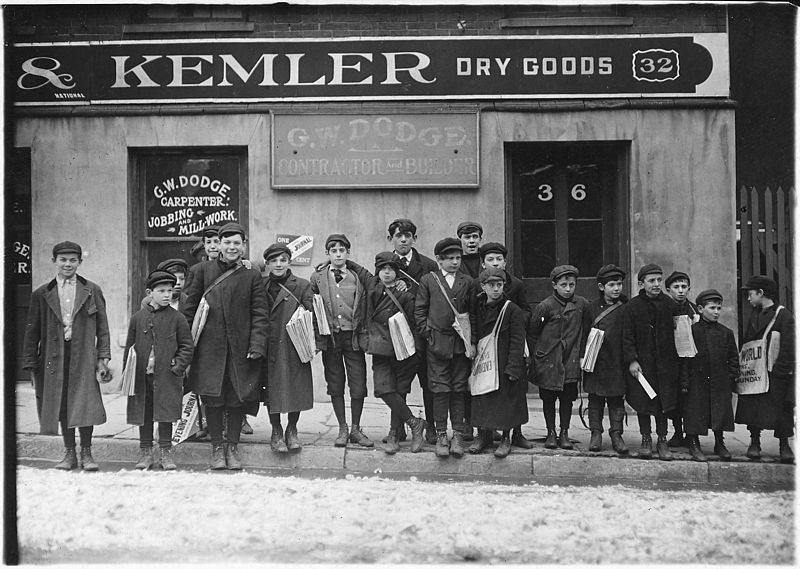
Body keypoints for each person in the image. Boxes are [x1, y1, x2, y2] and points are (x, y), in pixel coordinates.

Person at [182, 222, 269, 470]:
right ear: (218, 244)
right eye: (227, 242)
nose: (232, 247)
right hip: (208, 350)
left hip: (241, 350)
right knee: (214, 399)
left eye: (237, 243)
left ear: (244, 246)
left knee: (236, 399)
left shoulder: (251, 274)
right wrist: (186, 347)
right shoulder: (201, 271)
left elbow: (260, 313)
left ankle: (232, 447)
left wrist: (257, 344)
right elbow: (187, 313)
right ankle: (217, 449)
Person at [22, 241, 111, 471]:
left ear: (80, 262)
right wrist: (31, 364)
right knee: (62, 405)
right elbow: (31, 332)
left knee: (85, 403)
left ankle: (87, 453)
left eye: (73, 260)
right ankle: (69, 453)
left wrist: (103, 357)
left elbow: (102, 327)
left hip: (83, 355)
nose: (68, 264)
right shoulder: (42, 293)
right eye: (63, 260)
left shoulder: (92, 290)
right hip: (54, 356)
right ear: (54, 262)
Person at [414, 237, 478, 458]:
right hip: (437, 345)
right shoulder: (429, 281)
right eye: (450, 258)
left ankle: (458, 435)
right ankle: (442, 434)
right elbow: (420, 311)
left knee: (459, 389)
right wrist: (429, 335)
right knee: (440, 390)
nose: (455, 262)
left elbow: (473, 313)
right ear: (439, 260)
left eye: (458, 258)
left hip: (461, 346)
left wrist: (471, 341)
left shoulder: (468, 281)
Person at [124, 270, 194, 470]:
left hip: (166, 376)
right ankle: (145, 452)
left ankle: (165, 452)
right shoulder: (138, 318)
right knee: (143, 414)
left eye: (170, 291)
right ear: (149, 292)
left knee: (165, 414)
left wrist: (178, 366)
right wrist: (127, 374)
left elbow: (187, 346)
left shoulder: (177, 318)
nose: (166, 295)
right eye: (161, 291)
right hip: (141, 376)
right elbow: (130, 347)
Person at [310, 234, 374, 448]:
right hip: (331, 339)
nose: (338, 254)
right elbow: (311, 306)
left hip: (353, 337)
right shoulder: (318, 277)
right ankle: (342, 427)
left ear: (348, 253)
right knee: (335, 383)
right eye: (333, 251)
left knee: (358, 384)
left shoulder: (357, 277)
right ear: (327, 254)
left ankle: (355, 428)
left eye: (342, 250)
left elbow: (373, 285)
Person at [366, 252, 427, 454]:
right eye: (383, 269)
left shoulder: (406, 295)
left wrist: (415, 350)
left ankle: (394, 432)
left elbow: (416, 323)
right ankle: (415, 422)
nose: (387, 273)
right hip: (381, 350)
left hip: (404, 352)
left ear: (397, 273)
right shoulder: (372, 291)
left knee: (399, 390)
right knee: (384, 389)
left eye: (391, 269)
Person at [476, 242, 533, 449]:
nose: (495, 263)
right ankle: (485, 435)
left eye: (499, 259)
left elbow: (525, 311)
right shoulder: (478, 293)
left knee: (510, 394)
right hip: (485, 351)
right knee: (484, 393)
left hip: (508, 343)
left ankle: (512, 435)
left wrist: (510, 322)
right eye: (490, 259)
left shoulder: (515, 286)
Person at [621, 264, 681, 461]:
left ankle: (662, 440)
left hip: (665, 364)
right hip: (643, 364)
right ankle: (646, 439)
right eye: (651, 281)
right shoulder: (632, 307)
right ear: (641, 283)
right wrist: (632, 360)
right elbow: (627, 336)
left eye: (659, 280)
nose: (656, 284)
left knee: (663, 403)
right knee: (644, 402)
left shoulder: (669, 304)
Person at [387, 218, 438, 444]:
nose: (404, 240)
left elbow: (435, 299)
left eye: (408, 235)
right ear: (391, 239)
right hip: (398, 333)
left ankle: (433, 427)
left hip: (424, 333)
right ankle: (397, 428)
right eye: (399, 236)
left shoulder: (428, 265)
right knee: (400, 383)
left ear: (414, 239)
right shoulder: (386, 265)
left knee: (428, 382)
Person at [735, 275, 795, 464]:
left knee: (782, 409)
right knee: (754, 405)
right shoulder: (754, 315)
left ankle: (784, 444)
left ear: (761, 293)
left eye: (751, 294)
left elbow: (789, 346)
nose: (748, 298)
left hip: (776, 372)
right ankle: (755, 441)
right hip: (757, 371)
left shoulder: (783, 315)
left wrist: (781, 370)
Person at [468, 268, 527, 458]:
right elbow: (473, 330)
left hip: (503, 362)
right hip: (483, 360)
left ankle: (506, 438)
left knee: (505, 401)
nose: (495, 289)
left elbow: (518, 340)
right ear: (483, 286)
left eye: (499, 285)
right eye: (491, 285)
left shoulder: (512, 309)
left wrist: (513, 367)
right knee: (481, 397)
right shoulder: (477, 306)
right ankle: (483, 436)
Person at [528, 265, 589, 451]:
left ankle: (564, 432)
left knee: (567, 398)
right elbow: (533, 333)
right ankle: (551, 432)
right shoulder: (545, 307)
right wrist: (538, 357)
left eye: (572, 284)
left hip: (570, 357)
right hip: (548, 359)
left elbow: (586, 331)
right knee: (548, 397)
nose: (568, 288)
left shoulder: (582, 305)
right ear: (554, 285)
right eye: (564, 284)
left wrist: (581, 355)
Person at [262, 243, 314, 453]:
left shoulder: (301, 286)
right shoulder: (262, 285)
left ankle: (292, 429)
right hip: (269, 345)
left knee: (296, 389)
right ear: (267, 264)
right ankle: (276, 430)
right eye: (274, 261)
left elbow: (312, 316)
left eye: (283, 260)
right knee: (271, 390)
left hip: (294, 345)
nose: (279, 264)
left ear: (289, 261)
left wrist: (313, 344)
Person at [683, 289, 738, 462]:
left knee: (719, 411)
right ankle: (693, 442)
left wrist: (730, 376)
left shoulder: (725, 332)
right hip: (696, 380)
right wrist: (685, 381)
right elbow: (684, 358)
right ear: (700, 309)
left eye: (719, 308)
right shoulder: (692, 331)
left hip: (719, 380)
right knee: (695, 411)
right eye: (712, 308)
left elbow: (733, 357)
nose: (716, 312)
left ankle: (719, 442)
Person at [581, 264, 630, 456]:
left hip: (618, 360)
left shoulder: (626, 307)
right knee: (595, 398)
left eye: (619, 284)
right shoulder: (591, 308)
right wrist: (582, 358)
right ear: (602, 287)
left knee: (617, 399)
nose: (617, 288)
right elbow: (584, 333)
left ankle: (617, 434)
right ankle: (596, 433)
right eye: (612, 284)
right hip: (597, 360)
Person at [664, 270, 700, 448]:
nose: (680, 291)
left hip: (691, 361)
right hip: (672, 360)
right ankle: (677, 432)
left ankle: (691, 434)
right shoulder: (664, 309)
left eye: (684, 287)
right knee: (674, 399)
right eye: (676, 287)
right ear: (668, 289)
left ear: (689, 289)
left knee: (691, 399)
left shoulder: (695, 310)